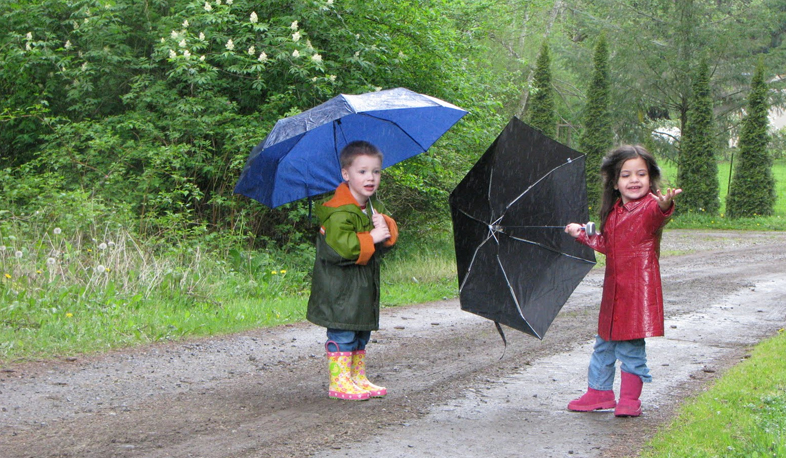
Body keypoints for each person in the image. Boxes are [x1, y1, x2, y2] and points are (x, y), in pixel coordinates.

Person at [564, 144, 682, 417]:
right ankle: (599, 392)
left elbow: (658, 214)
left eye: (641, 174)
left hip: (637, 293)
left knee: (630, 345)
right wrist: (581, 233)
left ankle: (630, 399)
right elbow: (608, 244)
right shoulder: (616, 212)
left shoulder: (650, 207)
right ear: (615, 183)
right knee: (604, 342)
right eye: (626, 175)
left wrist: (665, 204)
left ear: (650, 179)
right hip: (614, 292)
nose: (634, 180)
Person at [307, 140, 398, 401]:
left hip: (361, 287)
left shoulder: (371, 208)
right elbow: (340, 250)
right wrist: (371, 237)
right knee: (343, 331)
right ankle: (339, 381)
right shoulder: (338, 212)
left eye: (376, 171)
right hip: (340, 289)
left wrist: (386, 228)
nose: (370, 177)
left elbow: (384, 245)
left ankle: (356, 377)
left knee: (360, 332)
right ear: (346, 174)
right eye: (362, 171)